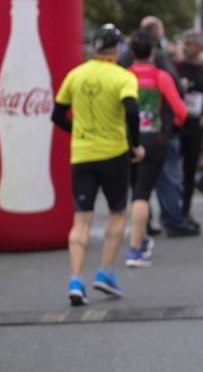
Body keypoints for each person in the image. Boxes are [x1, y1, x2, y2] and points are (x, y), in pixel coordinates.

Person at [51, 24, 145, 305]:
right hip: (114, 153)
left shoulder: (75, 75)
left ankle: (75, 279)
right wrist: (134, 144)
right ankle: (105, 272)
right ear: (117, 49)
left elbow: (56, 115)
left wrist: (79, 131)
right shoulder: (123, 77)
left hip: (82, 154)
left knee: (81, 219)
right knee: (117, 213)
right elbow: (132, 110)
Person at [125, 30, 188, 267]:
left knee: (135, 190)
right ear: (153, 52)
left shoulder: (124, 76)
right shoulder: (160, 77)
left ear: (131, 52)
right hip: (154, 139)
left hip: (128, 140)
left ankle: (140, 238)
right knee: (144, 192)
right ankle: (135, 247)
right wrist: (174, 127)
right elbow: (180, 110)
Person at [176, 31, 203, 224]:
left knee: (190, 170)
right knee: (170, 170)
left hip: (195, 126)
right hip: (176, 125)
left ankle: (185, 210)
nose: (186, 48)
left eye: (191, 44)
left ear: (200, 48)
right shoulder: (176, 67)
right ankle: (171, 210)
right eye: (185, 43)